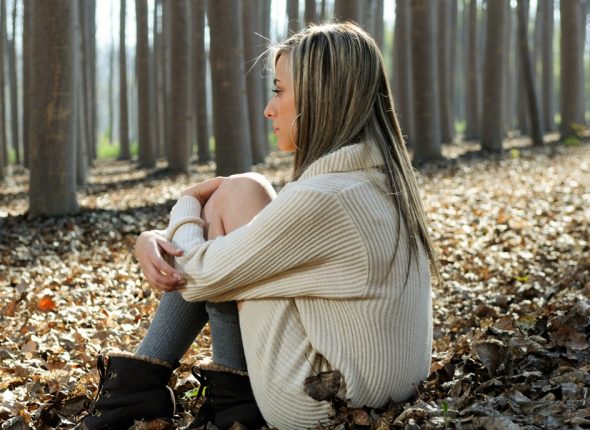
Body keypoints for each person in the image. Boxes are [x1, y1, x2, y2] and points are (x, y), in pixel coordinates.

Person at [79, 22, 439, 430]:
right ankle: (192, 401)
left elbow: (195, 278)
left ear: (321, 97)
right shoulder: (375, 180)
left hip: (321, 403)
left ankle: (167, 400)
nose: (270, 109)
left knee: (238, 195)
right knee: (238, 203)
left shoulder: (327, 198)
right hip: (372, 390)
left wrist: (186, 204)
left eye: (279, 91)